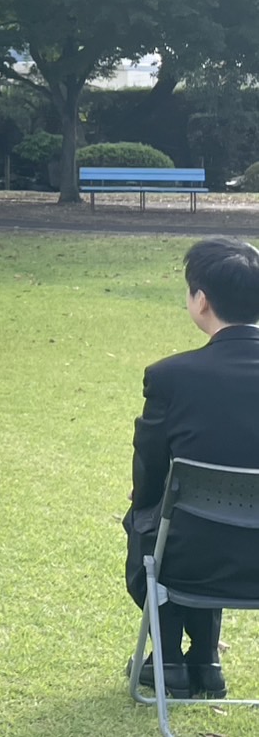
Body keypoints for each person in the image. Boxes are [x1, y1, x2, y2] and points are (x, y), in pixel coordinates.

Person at [124, 236, 259, 699]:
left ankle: (168, 660)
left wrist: (144, 501)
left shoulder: (171, 376)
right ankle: (205, 659)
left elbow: (148, 468)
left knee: (153, 525)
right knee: (203, 522)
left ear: (201, 300)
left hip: (190, 549)